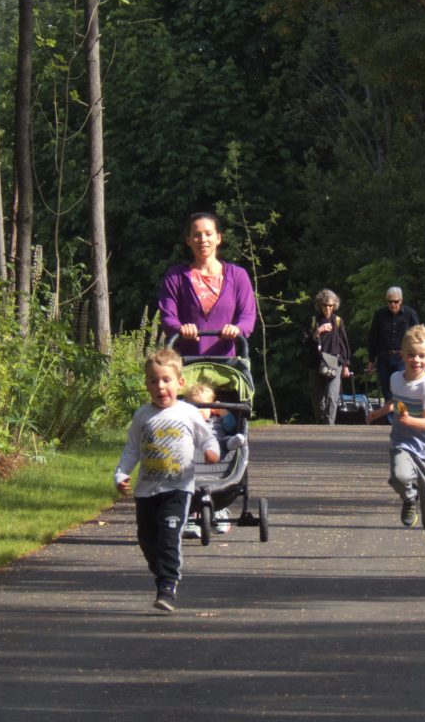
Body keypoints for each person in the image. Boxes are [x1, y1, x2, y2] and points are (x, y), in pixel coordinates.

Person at [114, 348, 220, 613]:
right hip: (146, 491)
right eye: (153, 380)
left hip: (177, 489)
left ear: (180, 383)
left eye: (166, 380)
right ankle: (161, 570)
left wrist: (212, 451)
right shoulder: (142, 416)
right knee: (147, 540)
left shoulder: (188, 413)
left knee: (169, 537)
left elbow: (207, 438)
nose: (160, 386)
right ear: (146, 384)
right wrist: (121, 473)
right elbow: (132, 450)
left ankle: (167, 587)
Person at [366, 325, 425, 558]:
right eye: (411, 354)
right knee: (400, 477)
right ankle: (409, 498)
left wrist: (409, 419)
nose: (416, 360)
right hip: (402, 442)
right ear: (402, 356)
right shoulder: (395, 379)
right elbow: (395, 400)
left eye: (422, 356)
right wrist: (379, 413)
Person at [158, 212, 257, 357]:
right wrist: (180, 328)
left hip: (225, 367)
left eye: (208, 234)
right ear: (189, 240)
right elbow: (167, 317)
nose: (203, 239)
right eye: (197, 235)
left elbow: (248, 318)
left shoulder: (237, 276)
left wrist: (237, 329)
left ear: (218, 238)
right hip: (185, 366)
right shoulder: (175, 277)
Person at [181, 382, 247, 538]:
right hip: (193, 453)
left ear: (211, 408)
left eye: (202, 407)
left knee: (226, 441)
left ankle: (219, 509)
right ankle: (190, 517)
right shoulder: (186, 421)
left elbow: (231, 425)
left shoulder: (217, 419)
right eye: (193, 407)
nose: (197, 411)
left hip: (219, 449)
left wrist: (223, 412)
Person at [303, 289, 351, 425]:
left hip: (334, 363)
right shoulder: (313, 321)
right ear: (320, 305)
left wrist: (346, 365)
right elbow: (304, 342)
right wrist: (317, 332)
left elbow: (344, 345)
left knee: (332, 396)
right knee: (318, 399)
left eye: (331, 305)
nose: (328, 308)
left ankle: (329, 427)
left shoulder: (338, 321)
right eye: (325, 305)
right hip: (316, 364)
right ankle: (320, 423)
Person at [367, 286, 420, 402]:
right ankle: (392, 420)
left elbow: (417, 337)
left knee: (401, 391)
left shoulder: (410, 314)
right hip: (383, 357)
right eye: (389, 302)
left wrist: (413, 355)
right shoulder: (379, 314)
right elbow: (373, 338)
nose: (392, 305)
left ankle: (401, 419)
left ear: (401, 300)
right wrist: (371, 360)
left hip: (402, 358)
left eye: (395, 302)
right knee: (387, 392)